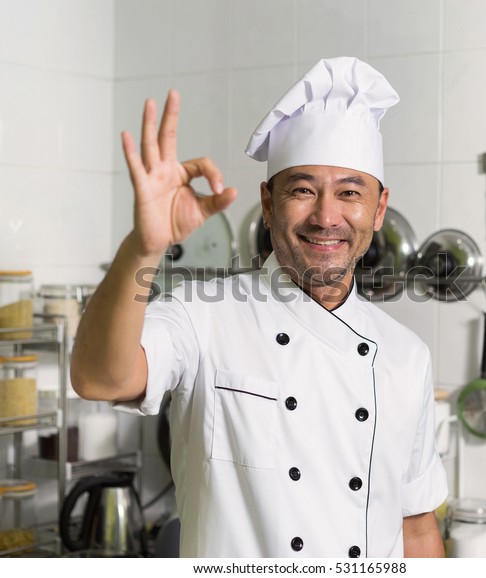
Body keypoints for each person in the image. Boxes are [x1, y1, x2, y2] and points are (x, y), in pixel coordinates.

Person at [71, 57, 448, 558]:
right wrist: (143, 247)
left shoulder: (406, 355)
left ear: (378, 210)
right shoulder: (203, 315)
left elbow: (416, 527)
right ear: (268, 204)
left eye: (350, 193)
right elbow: (101, 378)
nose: (326, 216)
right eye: (303, 190)